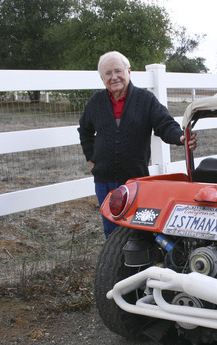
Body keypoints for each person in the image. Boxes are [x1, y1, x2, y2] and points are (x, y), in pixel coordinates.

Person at [78, 51, 197, 238]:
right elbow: (84, 131)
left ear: (129, 71)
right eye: (107, 73)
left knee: (139, 229)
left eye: (118, 71)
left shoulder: (145, 100)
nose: (114, 77)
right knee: (112, 230)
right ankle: (117, 264)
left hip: (135, 179)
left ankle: (141, 266)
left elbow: (164, 124)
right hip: (104, 179)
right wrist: (91, 159)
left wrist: (180, 138)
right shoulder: (96, 102)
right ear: (102, 78)